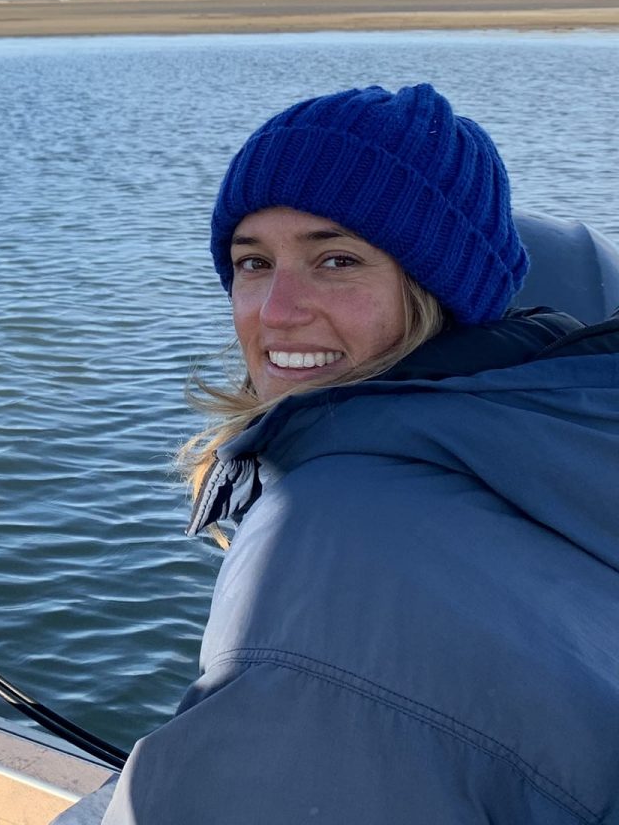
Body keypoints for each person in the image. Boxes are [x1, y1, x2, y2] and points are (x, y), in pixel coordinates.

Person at [54, 83, 619, 824]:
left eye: (338, 260)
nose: (277, 311)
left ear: (440, 290)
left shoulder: (325, 533)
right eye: (253, 263)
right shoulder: (559, 432)